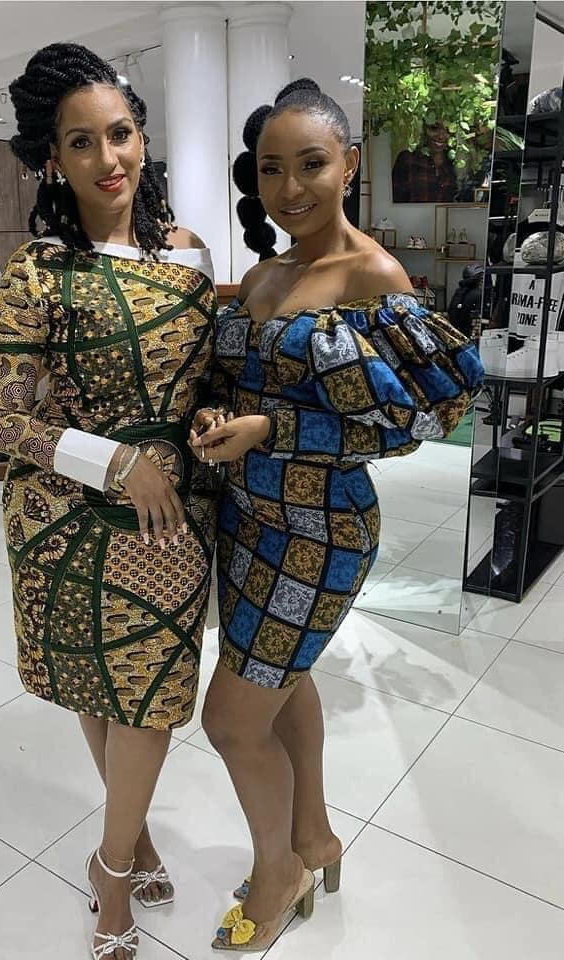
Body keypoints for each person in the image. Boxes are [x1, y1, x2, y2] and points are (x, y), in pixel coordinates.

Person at [190, 79, 483, 952]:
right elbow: (237, 383)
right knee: (282, 685)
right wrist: (218, 415)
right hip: (246, 520)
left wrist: (271, 430)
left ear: (348, 165)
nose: (289, 189)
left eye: (310, 164)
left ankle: (276, 872)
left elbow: (412, 424)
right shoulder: (264, 274)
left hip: (319, 535)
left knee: (229, 721)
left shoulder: (372, 277)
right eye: (270, 169)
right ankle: (313, 837)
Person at [0, 43, 218, 960]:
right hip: (68, 511)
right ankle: (131, 854)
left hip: (171, 519)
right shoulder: (37, 270)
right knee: (97, 682)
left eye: (119, 134)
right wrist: (115, 462)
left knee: (149, 697)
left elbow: (200, 381)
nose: (107, 158)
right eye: (82, 142)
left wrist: (211, 419)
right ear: (53, 159)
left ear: (142, 138)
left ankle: (105, 864)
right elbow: (1, 419)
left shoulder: (190, 256)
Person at [391, 120, 458, 202]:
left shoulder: (451, 164)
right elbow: (394, 200)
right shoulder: (408, 159)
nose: (441, 136)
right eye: (434, 128)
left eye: (447, 130)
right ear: (424, 129)